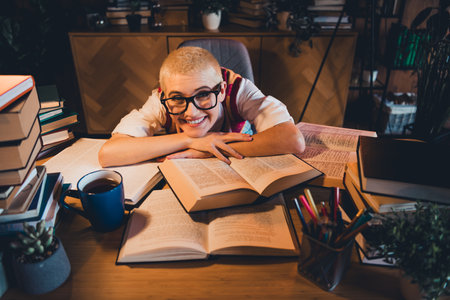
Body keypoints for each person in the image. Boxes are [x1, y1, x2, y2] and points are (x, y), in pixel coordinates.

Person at [99, 46, 305, 167]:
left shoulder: (239, 90)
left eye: (204, 95)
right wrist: (190, 139)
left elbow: (292, 139)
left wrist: (209, 149)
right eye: (178, 99)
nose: (192, 112)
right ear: (166, 95)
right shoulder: (161, 100)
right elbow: (109, 153)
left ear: (222, 90)